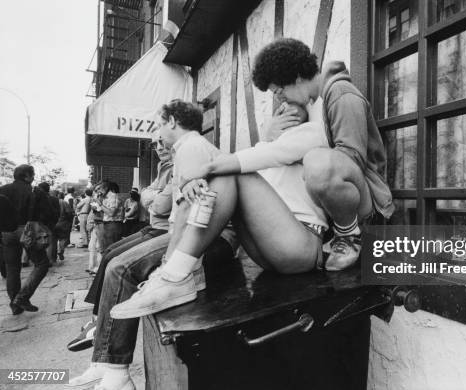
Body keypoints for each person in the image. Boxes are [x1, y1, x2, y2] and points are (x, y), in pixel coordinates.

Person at [108, 98, 328, 322]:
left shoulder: (309, 133)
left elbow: (247, 160)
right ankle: (177, 272)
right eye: (278, 109)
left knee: (230, 172)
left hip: (302, 244)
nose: (280, 110)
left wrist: (198, 173)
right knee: (219, 179)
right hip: (271, 250)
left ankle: (177, 274)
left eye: (287, 110)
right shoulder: (266, 147)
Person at [67, 103, 237, 390]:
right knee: (115, 262)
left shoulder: (191, 147)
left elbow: (188, 211)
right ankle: (106, 365)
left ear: (172, 121)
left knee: (120, 268)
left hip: (211, 239)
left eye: (160, 125)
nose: (158, 134)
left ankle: (116, 373)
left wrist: (174, 265)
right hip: (202, 235)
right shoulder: (191, 147)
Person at [250, 38, 394, 270]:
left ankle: (348, 237)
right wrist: (270, 136)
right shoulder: (310, 105)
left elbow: (350, 159)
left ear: (295, 76)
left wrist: (293, 151)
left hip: (367, 206)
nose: (279, 98)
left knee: (317, 162)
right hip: (334, 211)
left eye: (278, 91)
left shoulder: (340, 93)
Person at [67, 136, 174, 352]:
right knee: (108, 254)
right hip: (155, 226)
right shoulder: (164, 167)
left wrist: (152, 197)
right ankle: (97, 318)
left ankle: (103, 327)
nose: (159, 148)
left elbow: (160, 205)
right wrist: (152, 196)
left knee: (117, 264)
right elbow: (146, 196)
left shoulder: (179, 164)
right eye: (155, 144)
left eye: (164, 142)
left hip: (165, 230)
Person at [0, 165, 50, 314]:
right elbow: (47, 213)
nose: (34, 177)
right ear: (26, 176)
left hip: (7, 232)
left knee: (12, 268)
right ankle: (22, 297)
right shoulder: (35, 191)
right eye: (32, 174)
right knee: (42, 263)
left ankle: (14, 305)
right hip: (28, 230)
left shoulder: (2, 190)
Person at [93, 181, 123, 254]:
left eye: (99, 189)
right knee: (107, 248)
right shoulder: (106, 198)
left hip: (113, 225)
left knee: (112, 249)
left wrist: (100, 204)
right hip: (108, 224)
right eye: (96, 190)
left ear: (106, 188)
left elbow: (111, 213)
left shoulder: (113, 196)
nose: (98, 192)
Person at [55, 192, 74, 261]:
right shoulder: (64, 203)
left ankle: (53, 256)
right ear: (63, 196)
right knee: (63, 238)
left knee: (54, 240)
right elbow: (69, 213)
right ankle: (61, 251)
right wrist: (69, 221)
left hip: (54, 223)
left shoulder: (53, 202)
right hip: (63, 223)